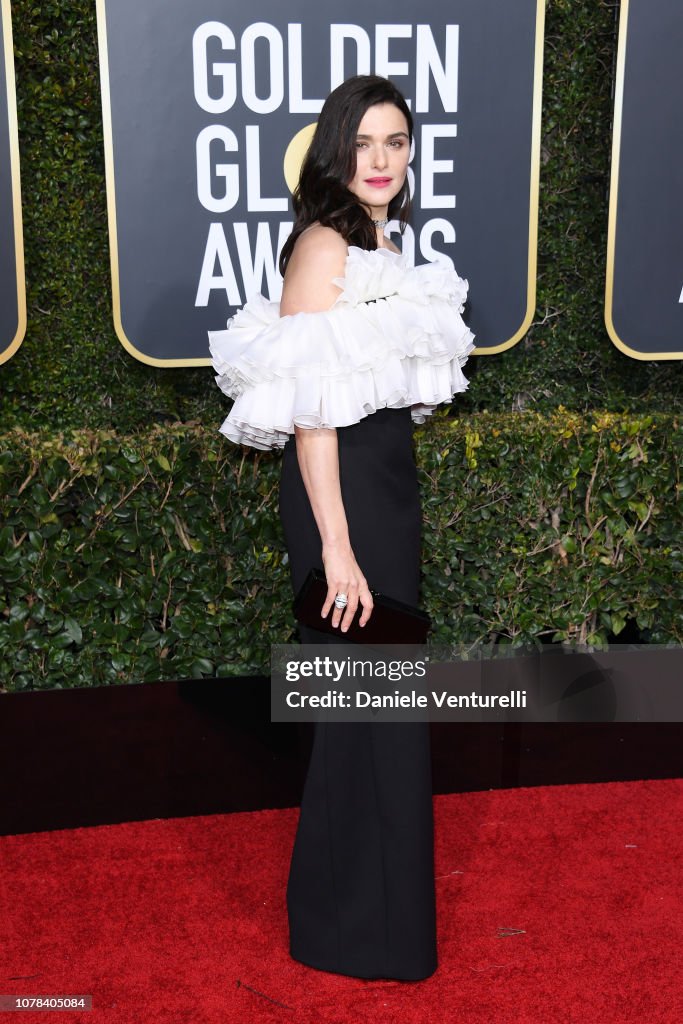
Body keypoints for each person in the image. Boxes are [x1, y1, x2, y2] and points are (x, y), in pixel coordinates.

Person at [209, 74, 475, 982]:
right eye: (363, 144)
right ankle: (343, 927)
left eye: (395, 142)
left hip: (385, 489)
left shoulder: (385, 241)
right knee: (361, 701)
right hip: (342, 499)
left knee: (380, 704)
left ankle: (377, 920)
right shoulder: (322, 245)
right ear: (334, 152)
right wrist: (335, 547)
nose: (380, 161)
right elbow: (310, 413)